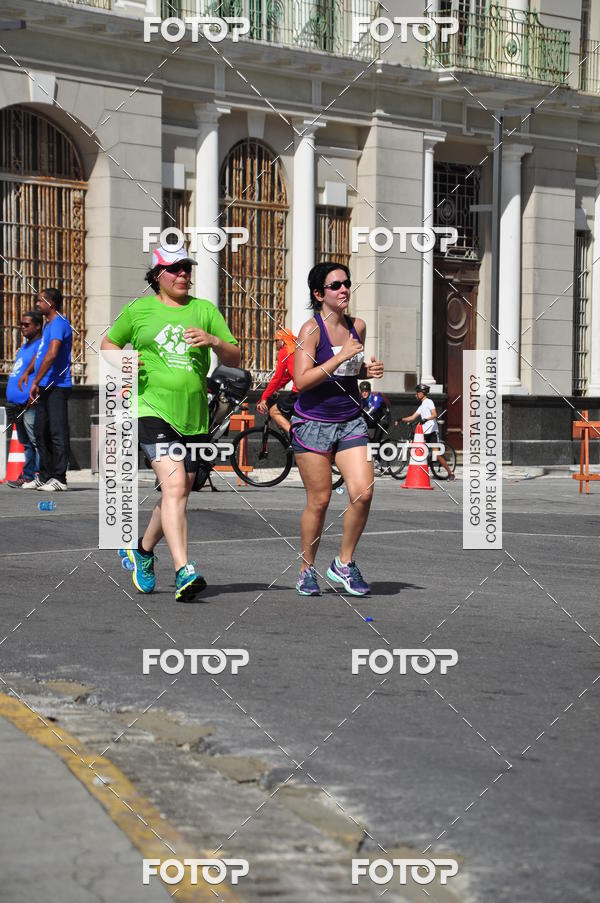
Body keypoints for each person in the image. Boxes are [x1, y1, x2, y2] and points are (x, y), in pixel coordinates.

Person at [100, 246, 241, 603]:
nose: (183, 275)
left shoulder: (204, 310)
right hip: (149, 408)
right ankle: (183, 570)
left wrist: (213, 341)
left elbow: (235, 355)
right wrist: (124, 362)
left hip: (194, 416)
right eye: (174, 269)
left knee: (177, 492)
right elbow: (107, 344)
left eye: (186, 269)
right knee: (175, 485)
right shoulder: (139, 310)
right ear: (157, 276)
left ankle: (143, 550)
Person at [292, 261, 384, 597]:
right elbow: (301, 380)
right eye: (335, 286)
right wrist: (340, 355)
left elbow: (349, 371)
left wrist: (367, 371)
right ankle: (306, 569)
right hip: (313, 423)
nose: (344, 289)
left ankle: (343, 563)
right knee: (320, 500)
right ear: (319, 294)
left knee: (363, 491)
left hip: (350, 420)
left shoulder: (358, 325)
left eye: (346, 283)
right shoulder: (311, 331)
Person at [18, 287, 73, 491]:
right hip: (44, 386)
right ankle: (45, 475)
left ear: (51, 303)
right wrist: (28, 372)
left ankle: (60, 478)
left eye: (40, 301)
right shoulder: (49, 325)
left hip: (58, 386)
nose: (37, 304)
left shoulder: (59, 323)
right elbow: (42, 352)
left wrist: (35, 381)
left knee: (57, 433)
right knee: (41, 432)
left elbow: (52, 354)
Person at [5, 310, 43, 488]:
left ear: (38, 326)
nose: (23, 328)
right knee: (25, 442)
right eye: (21, 324)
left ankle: (37, 475)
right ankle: (27, 476)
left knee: (35, 440)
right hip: (15, 403)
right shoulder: (25, 347)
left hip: (29, 402)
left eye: (27, 325)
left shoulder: (41, 346)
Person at [402, 383, 455, 480]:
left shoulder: (429, 401)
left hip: (432, 431)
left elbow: (434, 414)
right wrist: (400, 419)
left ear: (422, 393)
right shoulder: (422, 405)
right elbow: (412, 417)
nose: (416, 395)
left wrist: (426, 419)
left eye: (417, 393)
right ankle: (424, 464)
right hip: (424, 431)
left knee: (436, 454)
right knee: (412, 445)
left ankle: (450, 473)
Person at [256, 327, 297, 433]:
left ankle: (294, 437)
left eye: (276, 341)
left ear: (282, 340)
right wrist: (275, 389)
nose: (276, 345)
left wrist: (264, 397)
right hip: (311, 388)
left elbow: (277, 377)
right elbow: (288, 375)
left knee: (274, 412)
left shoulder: (285, 351)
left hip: (299, 390)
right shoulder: (298, 346)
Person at [359, 380, 391, 471]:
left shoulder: (376, 396)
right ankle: (375, 451)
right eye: (363, 391)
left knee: (376, 440)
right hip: (374, 420)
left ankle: (377, 462)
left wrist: (368, 412)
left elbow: (375, 406)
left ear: (369, 391)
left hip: (384, 420)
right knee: (367, 438)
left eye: (366, 391)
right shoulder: (362, 399)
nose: (364, 393)